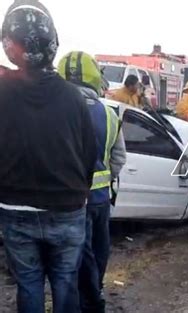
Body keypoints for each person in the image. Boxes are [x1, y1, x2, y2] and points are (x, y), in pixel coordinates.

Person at [0, 2, 97, 312]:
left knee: (28, 282)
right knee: (65, 280)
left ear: (9, 46)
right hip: (67, 209)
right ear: (53, 44)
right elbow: (88, 155)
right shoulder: (74, 97)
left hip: (15, 207)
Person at [58, 51, 127, 313]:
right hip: (101, 199)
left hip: (71, 201)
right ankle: (94, 294)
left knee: (77, 256)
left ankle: (84, 301)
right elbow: (119, 157)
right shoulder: (109, 114)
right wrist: (106, 177)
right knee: (99, 250)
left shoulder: (56, 113)